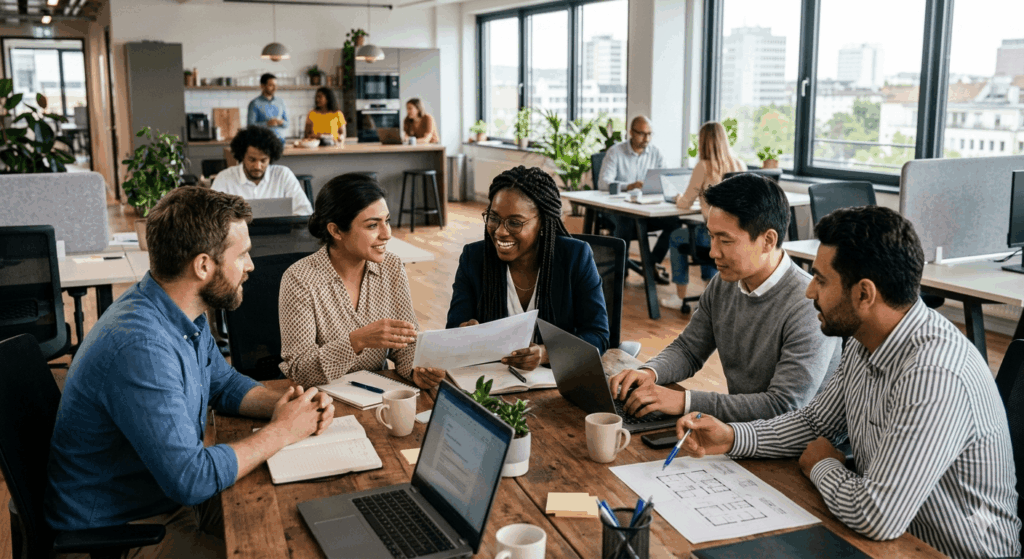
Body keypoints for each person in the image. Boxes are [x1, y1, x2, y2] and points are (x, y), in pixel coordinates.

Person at [673, 206, 1020, 558]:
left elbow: (877, 515)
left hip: (950, 551)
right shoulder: (864, 340)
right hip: (891, 541)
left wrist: (823, 465)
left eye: (821, 280)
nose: (809, 292)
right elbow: (813, 424)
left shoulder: (934, 374)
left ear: (864, 294)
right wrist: (731, 437)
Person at [45, 187, 334, 559]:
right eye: (242, 254)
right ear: (203, 265)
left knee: (300, 519)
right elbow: (190, 478)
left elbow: (224, 383)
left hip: (161, 501)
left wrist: (292, 404)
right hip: (120, 532)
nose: (251, 266)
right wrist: (282, 431)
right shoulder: (141, 346)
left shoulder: (180, 313)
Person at [609, 173, 841, 422]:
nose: (712, 251)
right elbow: (689, 349)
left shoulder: (808, 305)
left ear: (768, 240)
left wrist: (684, 401)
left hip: (799, 445)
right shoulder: (724, 283)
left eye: (725, 240)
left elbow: (784, 406)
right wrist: (650, 372)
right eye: (711, 235)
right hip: (741, 431)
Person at [279, 173, 445, 389]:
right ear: (336, 230)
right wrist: (356, 341)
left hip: (376, 395)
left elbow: (406, 344)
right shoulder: (300, 279)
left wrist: (417, 371)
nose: (387, 234)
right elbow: (299, 372)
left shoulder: (392, 267)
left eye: (387, 221)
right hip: (322, 400)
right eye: (372, 226)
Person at [447, 166, 609, 369]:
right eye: (493, 218)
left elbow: (597, 335)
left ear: (542, 223)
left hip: (556, 383)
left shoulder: (575, 257)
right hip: (492, 382)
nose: (500, 231)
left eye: (515, 222)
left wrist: (545, 353)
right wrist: (462, 333)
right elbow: (453, 329)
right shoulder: (474, 258)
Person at [662, 121, 748, 313]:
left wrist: (677, 198)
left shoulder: (704, 166)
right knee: (707, 236)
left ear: (703, 142)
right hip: (736, 234)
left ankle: (680, 296)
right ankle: (711, 297)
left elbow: (685, 202)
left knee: (677, 236)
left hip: (711, 235)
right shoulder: (739, 164)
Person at [598, 115, 678, 284]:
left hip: (646, 209)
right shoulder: (615, 152)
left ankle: (651, 264)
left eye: (649, 134)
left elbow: (666, 178)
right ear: (631, 133)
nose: (646, 138)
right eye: (642, 134)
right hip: (617, 211)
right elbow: (603, 183)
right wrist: (629, 185)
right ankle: (620, 272)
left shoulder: (655, 153)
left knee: (674, 223)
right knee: (625, 223)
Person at [212, 125, 313, 216]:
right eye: (252, 160)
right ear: (242, 156)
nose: (257, 166)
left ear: (271, 158)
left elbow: (305, 211)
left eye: (263, 160)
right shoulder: (224, 178)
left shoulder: (283, 175)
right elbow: (211, 214)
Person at [247, 73, 289, 143]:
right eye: (271, 85)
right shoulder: (254, 103)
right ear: (262, 86)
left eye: (275, 85)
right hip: (263, 142)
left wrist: (281, 122)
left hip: (280, 140)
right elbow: (250, 127)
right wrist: (267, 124)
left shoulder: (281, 102)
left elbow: (287, 123)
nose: (274, 88)